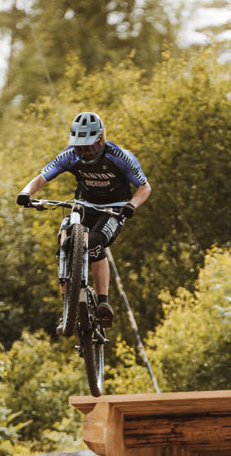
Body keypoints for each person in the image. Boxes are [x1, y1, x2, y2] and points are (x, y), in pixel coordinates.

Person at [16, 111, 151, 330]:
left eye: (90, 147)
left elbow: (145, 187)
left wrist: (131, 205)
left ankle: (103, 302)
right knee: (64, 241)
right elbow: (42, 178)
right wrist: (26, 193)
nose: (85, 152)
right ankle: (67, 309)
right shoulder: (69, 156)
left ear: (101, 140)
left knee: (96, 241)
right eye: (80, 147)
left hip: (114, 208)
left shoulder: (119, 156)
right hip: (84, 204)